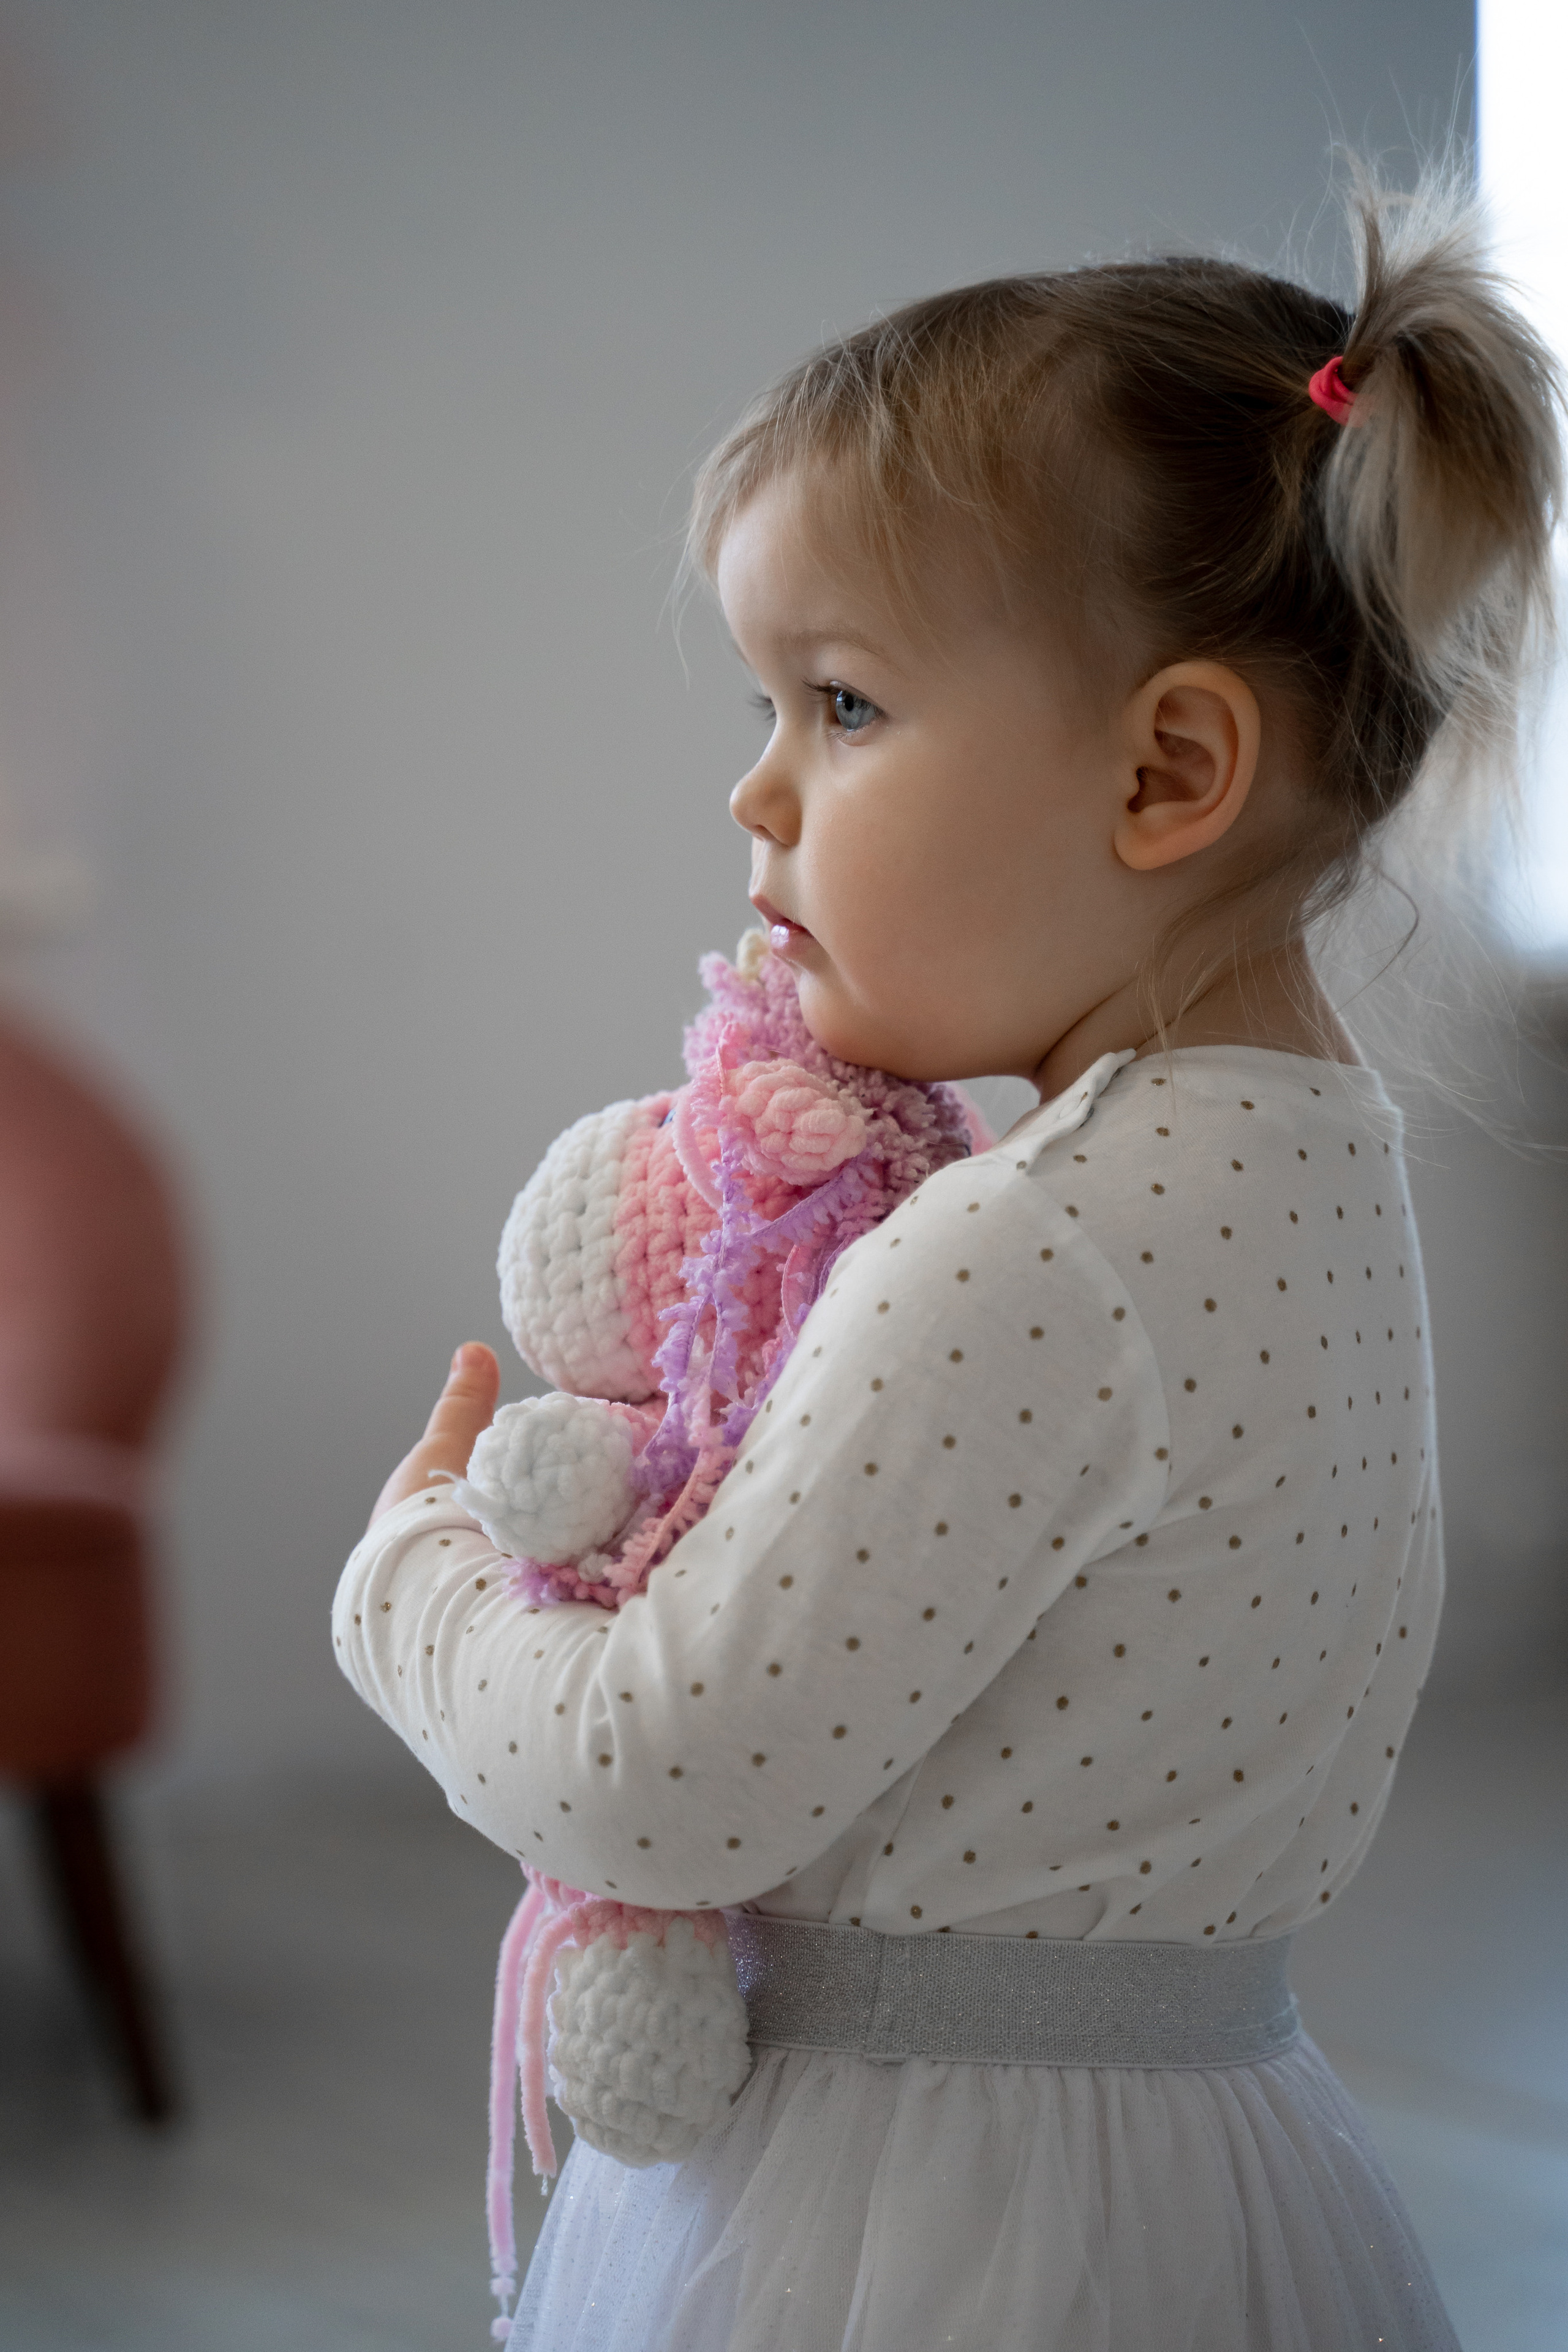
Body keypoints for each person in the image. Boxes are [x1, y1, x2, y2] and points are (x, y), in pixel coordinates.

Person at [333, 167, 1559, 2350]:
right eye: (764, 712)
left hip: (926, 2220)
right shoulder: (1321, 1177)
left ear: (1170, 767)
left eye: (845, 706)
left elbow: (658, 1776)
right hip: (1215, 2151)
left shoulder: (1034, 1247)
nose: (760, 801)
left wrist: (414, 1575)